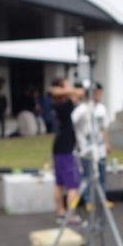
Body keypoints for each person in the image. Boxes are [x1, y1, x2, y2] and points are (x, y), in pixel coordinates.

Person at [49, 78, 85, 226]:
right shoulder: (64, 104)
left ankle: (61, 213)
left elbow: (55, 91)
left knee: (59, 184)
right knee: (73, 186)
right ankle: (71, 217)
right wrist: (68, 90)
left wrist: (63, 90)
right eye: (66, 85)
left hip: (58, 148)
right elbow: (80, 93)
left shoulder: (55, 104)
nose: (69, 87)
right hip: (66, 150)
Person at [71, 82, 113, 210]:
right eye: (96, 93)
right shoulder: (81, 110)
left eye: (100, 93)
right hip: (86, 148)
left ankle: (102, 199)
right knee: (88, 175)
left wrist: (107, 143)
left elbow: (104, 127)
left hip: (100, 148)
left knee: (102, 174)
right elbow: (72, 124)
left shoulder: (102, 109)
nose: (98, 96)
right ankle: (88, 201)